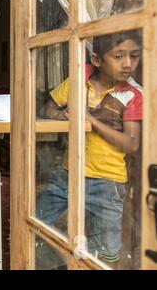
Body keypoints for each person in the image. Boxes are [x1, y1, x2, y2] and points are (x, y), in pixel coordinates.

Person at [37, 31, 142, 265]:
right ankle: (66, 260)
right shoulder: (78, 78)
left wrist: (91, 122)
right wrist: (61, 115)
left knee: (107, 249)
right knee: (38, 221)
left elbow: (131, 143)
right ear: (96, 60)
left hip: (108, 181)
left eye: (133, 56)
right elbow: (46, 109)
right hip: (69, 173)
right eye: (118, 56)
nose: (127, 64)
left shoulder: (133, 95)